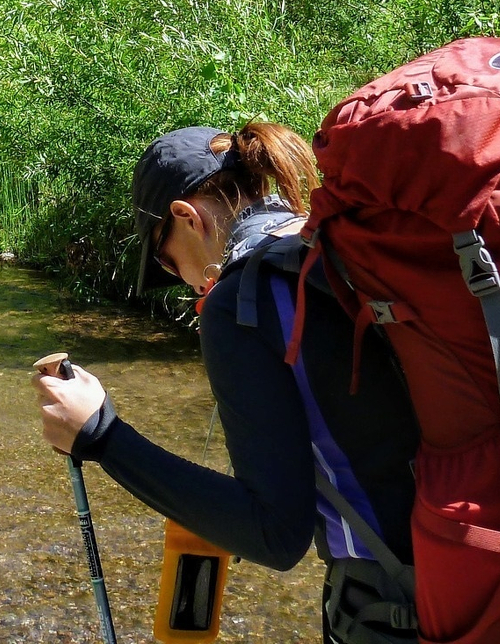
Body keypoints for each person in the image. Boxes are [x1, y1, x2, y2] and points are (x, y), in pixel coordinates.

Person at [33, 123, 421, 644]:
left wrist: (100, 436)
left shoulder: (243, 299)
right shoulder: (335, 244)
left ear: (186, 217)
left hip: (399, 606)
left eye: (167, 260)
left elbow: (275, 535)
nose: (185, 279)